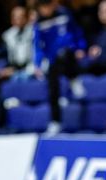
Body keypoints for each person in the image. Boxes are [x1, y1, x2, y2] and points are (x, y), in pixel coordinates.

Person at [33, 0, 87, 134]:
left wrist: (81, 47)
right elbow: (38, 46)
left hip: (69, 53)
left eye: (47, 5)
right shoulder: (38, 23)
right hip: (52, 60)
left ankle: (74, 78)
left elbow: (76, 32)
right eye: (42, 7)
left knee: (65, 54)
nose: (45, 10)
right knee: (52, 91)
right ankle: (55, 122)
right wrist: (37, 64)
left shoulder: (64, 14)